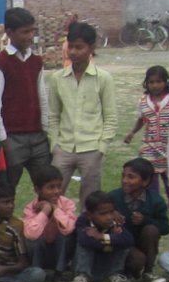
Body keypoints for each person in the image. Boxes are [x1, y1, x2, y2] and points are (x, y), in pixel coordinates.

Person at [45, 21, 116, 198]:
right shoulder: (57, 78)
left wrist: (102, 146)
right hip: (63, 147)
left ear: (91, 48)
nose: (73, 52)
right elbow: (53, 115)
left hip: (92, 148)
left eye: (79, 47)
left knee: (91, 199)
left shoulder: (103, 78)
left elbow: (110, 117)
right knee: (52, 195)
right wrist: (55, 144)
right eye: (71, 46)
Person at [0, 7, 49, 197]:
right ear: (9, 32)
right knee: (6, 191)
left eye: (32, 31)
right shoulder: (0, 64)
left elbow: (42, 97)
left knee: (46, 187)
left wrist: (45, 130)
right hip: (12, 137)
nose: (30, 36)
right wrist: (3, 140)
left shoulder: (36, 62)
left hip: (38, 136)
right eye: (25, 32)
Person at [108, 157, 169, 282]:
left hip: (143, 242)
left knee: (151, 230)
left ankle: (148, 271)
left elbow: (165, 227)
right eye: (123, 176)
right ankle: (125, 272)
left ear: (145, 181)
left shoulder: (155, 200)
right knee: (137, 260)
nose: (125, 180)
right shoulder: (113, 197)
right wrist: (111, 215)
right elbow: (95, 216)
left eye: (131, 177)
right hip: (122, 245)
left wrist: (145, 220)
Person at [68, 192, 133, 282]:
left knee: (122, 243)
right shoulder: (83, 221)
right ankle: (82, 278)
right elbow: (86, 241)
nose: (109, 217)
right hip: (87, 264)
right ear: (90, 215)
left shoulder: (115, 221)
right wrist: (111, 241)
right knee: (85, 245)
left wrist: (101, 236)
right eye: (103, 214)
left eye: (111, 212)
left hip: (107, 265)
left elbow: (128, 240)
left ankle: (113, 277)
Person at [124, 65, 169, 199]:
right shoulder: (143, 101)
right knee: (149, 173)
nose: (155, 85)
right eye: (151, 82)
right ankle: (153, 199)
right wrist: (132, 133)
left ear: (166, 81)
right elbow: (142, 119)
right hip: (150, 144)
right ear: (146, 83)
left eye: (159, 81)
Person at [22, 166, 77, 278]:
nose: (56, 191)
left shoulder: (67, 204)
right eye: (51, 187)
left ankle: (60, 271)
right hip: (42, 252)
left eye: (59, 186)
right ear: (37, 190)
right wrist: (45, 211)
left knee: (65, 236)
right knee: (32, 240)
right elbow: (31, 234)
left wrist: (55, 209)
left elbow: (68, 229)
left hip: (60, 251)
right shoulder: (30, 208)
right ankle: (37, 270)